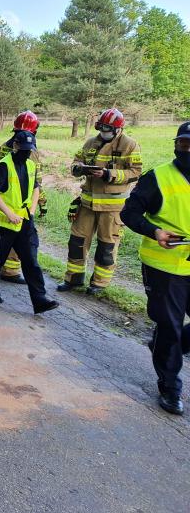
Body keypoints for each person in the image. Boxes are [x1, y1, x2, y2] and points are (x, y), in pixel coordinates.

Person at [120, 121, 190, 415]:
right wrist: (155, 232)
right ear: (175, 145)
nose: (187, 150)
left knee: (170, 335)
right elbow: (129, 213)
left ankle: (162, 345)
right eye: (184, 145)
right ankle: (170, 387)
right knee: (170, 327)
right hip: (165, 267)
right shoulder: (158, 177)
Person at [58, 108, 142, 295]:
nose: (104, 133)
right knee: (77, 243)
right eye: (101, 128)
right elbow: (76, 162)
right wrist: (80, 169)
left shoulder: (130, 145)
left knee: (106, 246)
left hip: (112, 209)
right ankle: (73, 278)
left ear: (118, 129)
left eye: (108, 129)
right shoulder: (90, 143)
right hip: (87, 204)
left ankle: (99, 284)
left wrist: (108, 174)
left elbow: (136, 172)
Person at [0, 131, 59, 314]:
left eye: (30, 149)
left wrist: (32, 211)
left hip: (25, 221)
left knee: (31, 262)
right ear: (15, 146)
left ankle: (40, 299)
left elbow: (36, 189)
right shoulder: (3, 166)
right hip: (5, 224)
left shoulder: (30, 165)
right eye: (24, 149)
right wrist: (9, 213)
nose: (27, 152)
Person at [0, 111, 48, 284]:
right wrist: (42, 201)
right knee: (21, 237)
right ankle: (10, 271)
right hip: (21, 201)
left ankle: (0, 269)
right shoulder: (30, 150)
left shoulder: (5, 145)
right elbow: (35, 179)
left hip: (5, 198)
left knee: (5, 237)